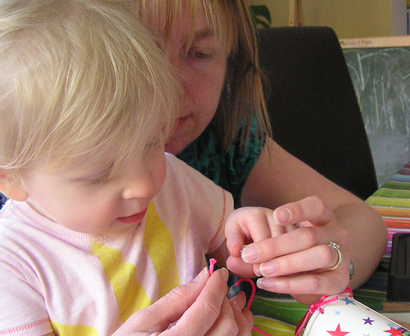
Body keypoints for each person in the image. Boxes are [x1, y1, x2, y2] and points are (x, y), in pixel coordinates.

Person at [0, 1, 261, 336]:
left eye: (152, 142)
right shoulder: (12, 264)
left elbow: (234, 248)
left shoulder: (173, 180)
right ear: (10, 178)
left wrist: (260, 240)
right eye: (100, 172)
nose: (144, 183)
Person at [129, 0, 388, 305]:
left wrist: (331, 264)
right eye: (137, 53)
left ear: (231, 61)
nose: (169, 87)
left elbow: (362, 219)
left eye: (200, 53)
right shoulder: (65, 163)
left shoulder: (226, 137)